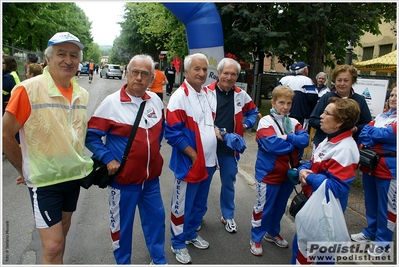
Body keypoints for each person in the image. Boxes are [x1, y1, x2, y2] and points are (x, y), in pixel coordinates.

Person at [2, 31, 92, 264]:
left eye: (74, 55)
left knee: (62, 235)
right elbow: (5, 133)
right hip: (44, 182)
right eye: (61, 53)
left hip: (72, 177)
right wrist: (24, 169)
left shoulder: (82, 94)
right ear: (48, 58)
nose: (68, 60)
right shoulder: (27, 89)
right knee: (52, 247)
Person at [85, 54, 167, 265]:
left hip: (151, 181)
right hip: (123, 182)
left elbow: (161, 129)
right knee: (122, 228)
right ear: (127, 74)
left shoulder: (156, 101)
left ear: (151, 78)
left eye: (145, 74)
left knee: (157, 221)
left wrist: (154, 154)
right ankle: (123, 262)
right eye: (135, 72)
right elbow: (90, 135)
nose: (139, 78)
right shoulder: (111, 103)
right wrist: (108, 158)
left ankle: (159, 259)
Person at [291, 97, 361, 264]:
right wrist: (301, 169)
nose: (321, 116)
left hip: (324, 210)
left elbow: (335, 187)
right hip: (314, 203)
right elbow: (314, 162)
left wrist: (308, 176)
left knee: (315, 256)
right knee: (302, 248)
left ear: (339, 122)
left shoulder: (345, 149)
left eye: (327, 113)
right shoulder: (329, 138)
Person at [165, 53, 217, 264]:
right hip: (191, 163)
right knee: (182, 204)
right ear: (186, 72)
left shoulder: (205, 92)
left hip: (210, 161)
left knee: (198, 204)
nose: (202, 73)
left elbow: (207, 124)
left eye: (204, 69)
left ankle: (190, 234)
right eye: (197, 69)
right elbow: (172, 133)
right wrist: (194, 155)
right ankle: (177, 243)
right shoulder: (179, 96)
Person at [249, 86, 309, 256]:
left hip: (287, 175)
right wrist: (293, 143)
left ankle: (272, 232)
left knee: (280, 207)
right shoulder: (265, 121)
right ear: (273, 102)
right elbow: (273, 145)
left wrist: (288, 138)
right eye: (281, 102)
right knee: (264, 207)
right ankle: (256, 238)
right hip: (268, 174)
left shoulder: (294, 121)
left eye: (289, 103)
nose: (285, 107)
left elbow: (305, 139)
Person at [206, 58, 259, 233]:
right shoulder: (206, 92)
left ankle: (228, 216)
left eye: (233, 74)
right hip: (208, 148)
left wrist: (246, 124)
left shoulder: (241, 94)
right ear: (219, 74)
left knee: (228, 184)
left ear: (237, 76)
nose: (229, 77)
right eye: (226, 73)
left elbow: (253, 112)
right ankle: (197, 217)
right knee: (202, 185)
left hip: (229, 149)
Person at [350, 84, 397, 257]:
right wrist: (378, 133)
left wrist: (376, 133)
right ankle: (370, 232)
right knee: (371, 202)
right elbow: (364, 133)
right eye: (392, 95)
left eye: (396, 96)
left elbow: (391, 134)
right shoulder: (383, 116)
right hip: (371, 165)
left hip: (390, 169)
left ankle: (383, 242)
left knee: (387, 207)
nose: (392, 98)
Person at [309, 64, 372, 148]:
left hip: (348, 145)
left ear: (352, 81)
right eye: (339, 80)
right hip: (323, 143)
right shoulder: (326, 97)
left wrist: (355, 128)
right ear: (334, 81)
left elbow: (368, 123)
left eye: (346, 80)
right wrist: (328, 125)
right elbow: (312, 120)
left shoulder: (360, 100)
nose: (342, 83)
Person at [277, 61, 317, 131]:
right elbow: (312, 98)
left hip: (284, 113)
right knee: (301, 135)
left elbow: (276, 95)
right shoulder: (307, 81)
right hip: (302, 115)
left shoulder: (283, 80)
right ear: (304, 70)